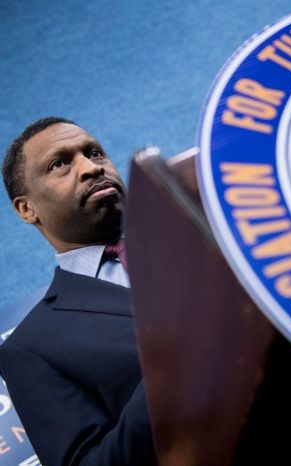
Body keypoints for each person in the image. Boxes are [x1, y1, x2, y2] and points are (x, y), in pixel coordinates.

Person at [0, 117, 157, 465]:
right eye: (60, 164)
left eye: (95, 153)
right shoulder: (30, 348)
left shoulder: (206, 233)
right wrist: (169, 370)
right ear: (27, 209)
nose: (91, 168)